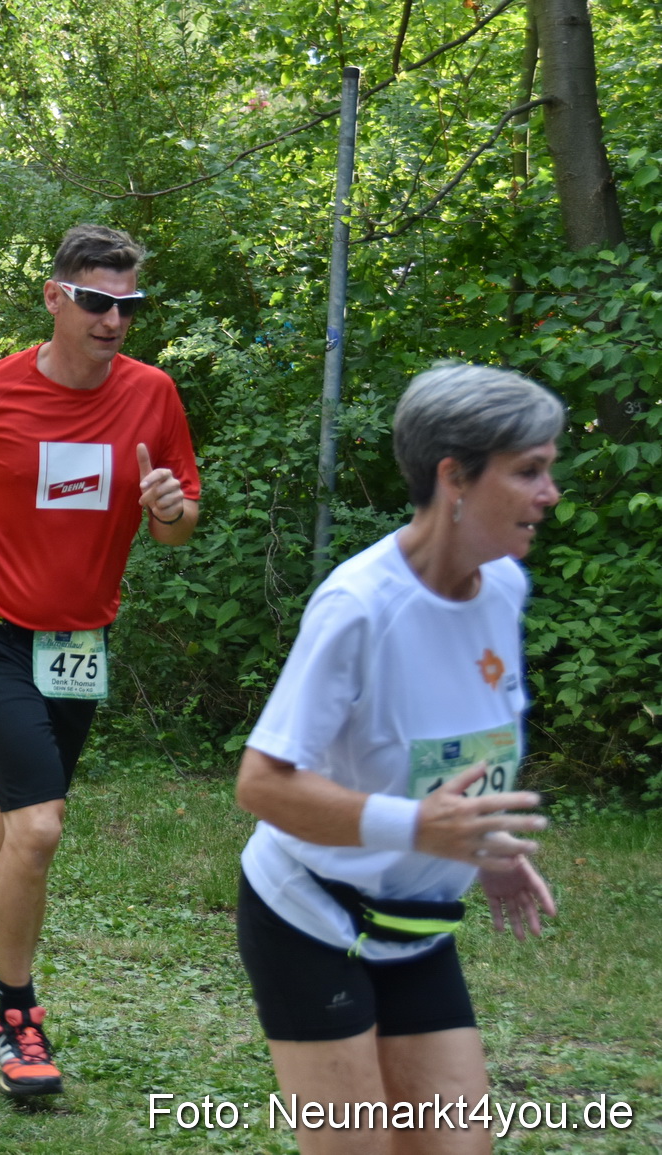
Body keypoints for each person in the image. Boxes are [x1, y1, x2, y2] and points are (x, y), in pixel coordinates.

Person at [0, 224, 201, 1096]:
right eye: (97, 301)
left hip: (77, 644)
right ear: (56, 297)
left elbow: (177, 530)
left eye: (128, 304)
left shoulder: (153, 396)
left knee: (14, 817)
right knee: (38, 825)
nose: (114, 319)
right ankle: (18, 1019)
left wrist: (170, 507)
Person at [232, 364, 561, 1153]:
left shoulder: (504, 587)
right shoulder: (360, 605)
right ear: (454, 476)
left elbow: (471, 739)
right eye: (528, 471)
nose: (550, 492)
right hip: (310, 917)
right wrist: (418, 826)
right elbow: (261, 783)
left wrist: (480, 846)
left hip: (418, 927)